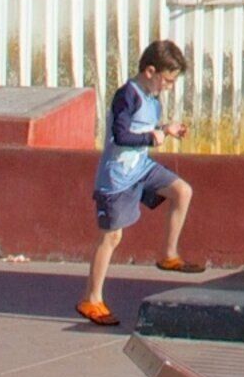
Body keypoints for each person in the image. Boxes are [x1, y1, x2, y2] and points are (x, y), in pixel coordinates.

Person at [77, 41, 203, 326]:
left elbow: (147, 129)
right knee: (111, 237)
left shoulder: (152, 98)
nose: (170, 86)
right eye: (168, 80)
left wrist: (167, 130)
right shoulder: (127, 96)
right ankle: (91, 299)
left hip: (141, 169)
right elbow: (121, 135)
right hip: (117, 177)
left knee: (182, 191)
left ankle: (168, 254)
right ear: (150, 71)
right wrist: (152, 137)